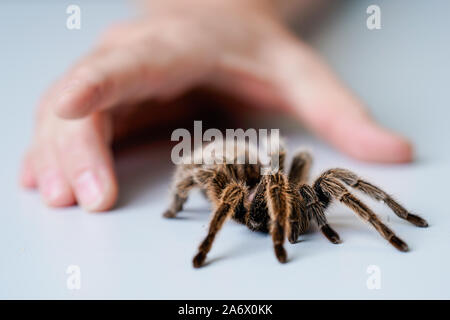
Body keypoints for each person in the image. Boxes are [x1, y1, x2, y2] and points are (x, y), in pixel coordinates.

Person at [20, 0, 412, 212]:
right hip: (247, 191)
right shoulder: (238, 193)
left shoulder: (299, 193)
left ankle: (396, 220)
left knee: (332, 176)